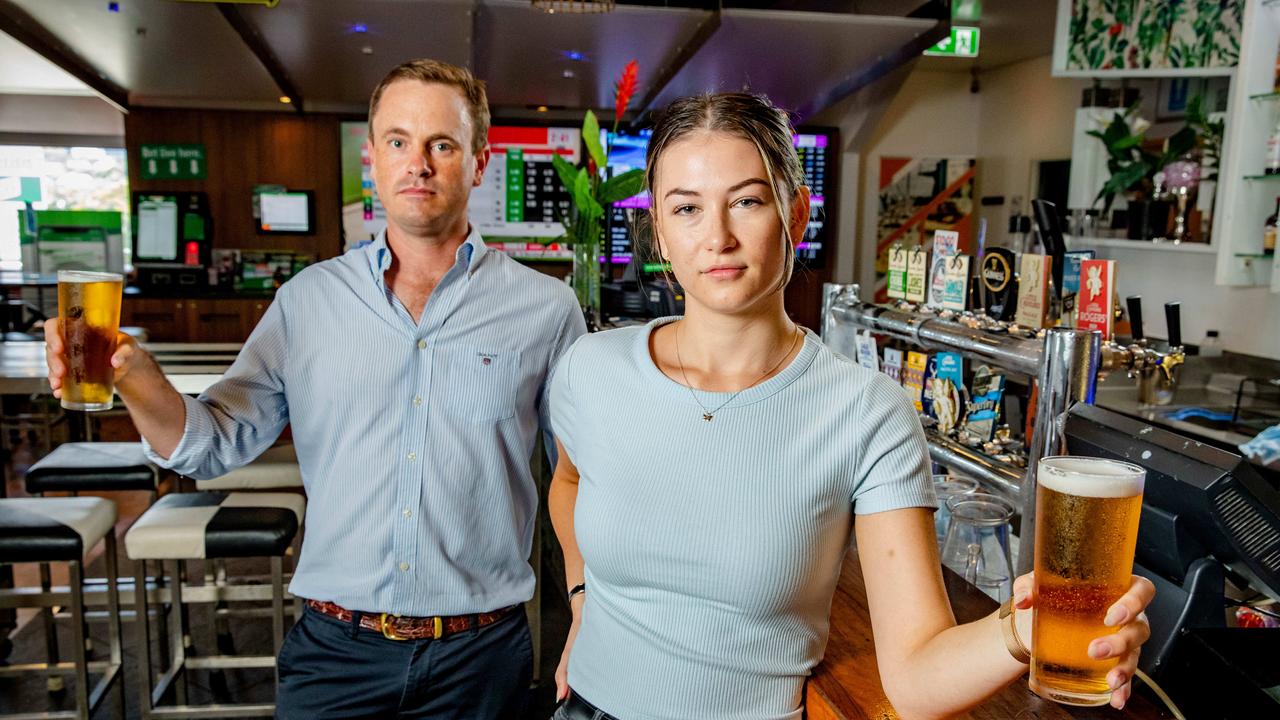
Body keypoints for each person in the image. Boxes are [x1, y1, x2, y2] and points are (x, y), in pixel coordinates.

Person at [546, 92, 1154, 720]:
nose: (718, 237)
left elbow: (916, 676)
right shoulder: (592, 368)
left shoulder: (868, 414)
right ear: (661, 235)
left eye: (747, 201)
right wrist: (582, 591)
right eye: (687, 209)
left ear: (796, 216)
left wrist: (1030, 629)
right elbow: (568, 481)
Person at [45, 59, 585, 719]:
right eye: (398, 141)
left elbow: (580, 479)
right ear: (372, 159)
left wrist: (591, 610)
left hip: (481, 655)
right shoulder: (308, 302)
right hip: (336, 652)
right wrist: (133, 375)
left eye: (441, 144)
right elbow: (207, 445)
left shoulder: (546, 309)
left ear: (477, 162)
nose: (418, 162)